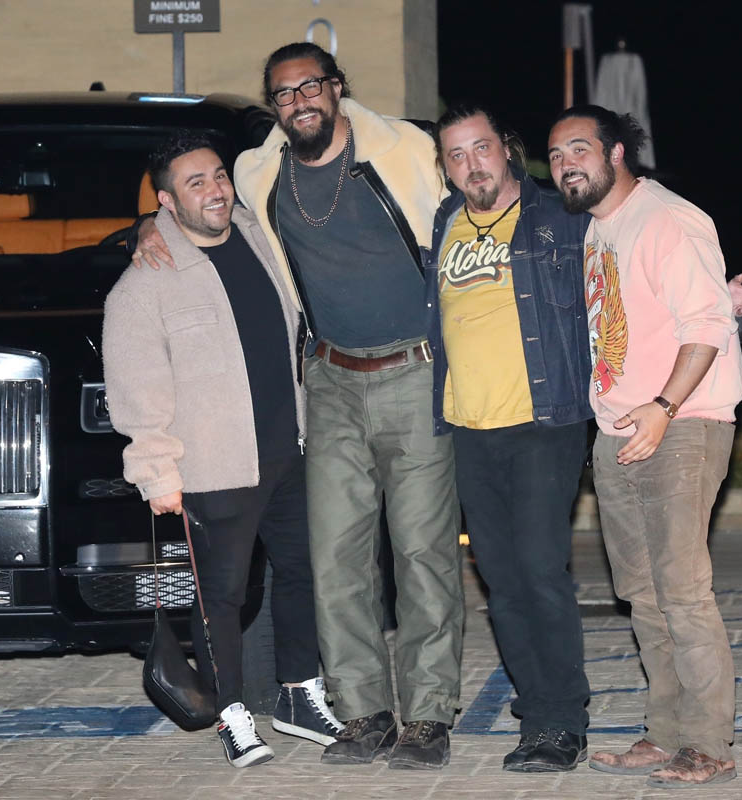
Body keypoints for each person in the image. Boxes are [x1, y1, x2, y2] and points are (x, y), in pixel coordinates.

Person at [130, 43, 462, 769]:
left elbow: (476, 203)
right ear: (274, 107)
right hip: (330, 383)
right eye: (283, 93)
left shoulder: (404, 150)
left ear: (336, 88)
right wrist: (148, 228)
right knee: (334, 559)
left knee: (421, 553)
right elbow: (200, 214)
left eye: (310, 86)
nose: (298, 101)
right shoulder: (259, 173)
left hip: (413, 372)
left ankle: (429, 715)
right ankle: (364, 710)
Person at [103, 134, 342, 769]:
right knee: (222, 597)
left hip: (288, 451)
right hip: (214, 468)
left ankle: (299, 694)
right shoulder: (142, 286)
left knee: (304, 574)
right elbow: (136, 390)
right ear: (166, 201)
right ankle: (230, 712)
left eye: (217, 176)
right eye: (195, 183)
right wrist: (156, 472)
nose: (215, 191)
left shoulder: (257, 236)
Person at [548, 105, 742, 789]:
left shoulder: (667, 218)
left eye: (579, 149)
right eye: (556, 155)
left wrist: (664, 408)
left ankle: (709, 743)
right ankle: (665, 734)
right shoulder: (599, 228)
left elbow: (705, 324)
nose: (566, 164)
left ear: (616, 153)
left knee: (682, 593)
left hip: (682, 424)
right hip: (618, 431)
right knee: (643, 595)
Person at [427, 104, 593, 772]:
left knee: (540, 572)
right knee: (500, 580)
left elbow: (624, 255)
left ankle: (562, 721)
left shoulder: (557, 214)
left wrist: (710, 296)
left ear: (507, 149)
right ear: (446, 168)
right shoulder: (444, 221)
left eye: (482, 148)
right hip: (469, 428)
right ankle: (537, 710)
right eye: (456, 154)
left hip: (542, 422)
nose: (472, 164)